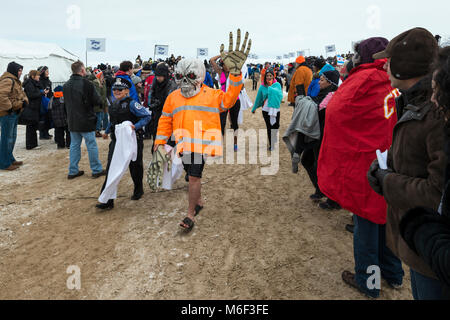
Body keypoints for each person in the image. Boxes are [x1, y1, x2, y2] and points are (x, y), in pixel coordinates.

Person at [318, 37, 405, 298]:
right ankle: (393, 274)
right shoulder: (393, 77)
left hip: (368, 163)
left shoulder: (364, 78)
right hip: (393, 158)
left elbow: (334, 111)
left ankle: (369, 282)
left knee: (366, 223)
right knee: (387, 220)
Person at [367, 28, 445, 300]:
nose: (385, 65)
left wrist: (388, 181)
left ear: (405, 66)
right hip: (417, 241)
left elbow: (438, 193)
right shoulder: (413, 103)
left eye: (390, 59)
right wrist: (385, 164)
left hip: (433, 252)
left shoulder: (437, 112)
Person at [154, 29, 250, 231]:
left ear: (199, 76)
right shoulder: (173, 97)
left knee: (195, 177)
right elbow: (165, 120)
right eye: (181, 77)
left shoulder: (212, 95)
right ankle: (199, 202)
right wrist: (159, 143)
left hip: (202, 145)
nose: (185, 82)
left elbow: (229, 100)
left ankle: (190, 215)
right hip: (183, 144)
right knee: (190, 175)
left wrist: (234, 75)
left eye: (190, 76)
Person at [96, 78, 151, 210]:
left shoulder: (132, 104)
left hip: (132, 140)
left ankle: (138, 189)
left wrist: (135, 126)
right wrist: (107, 131)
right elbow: (113, 121)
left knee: (135, 166)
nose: (116, 91)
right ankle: (107, 199)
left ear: (127, 91)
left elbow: (146, 116)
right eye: (114, 89)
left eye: (120, 89)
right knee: (112, 168)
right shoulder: (113, 104)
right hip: (117, 141)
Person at [63, 60, 106, 180]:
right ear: (82, 70)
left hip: (72, 120)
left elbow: (65, 104)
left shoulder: (66, 85)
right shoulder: (87, 84)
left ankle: (73, 171)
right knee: (91, 145)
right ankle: (96, 169)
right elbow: (97, 100)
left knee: (74, 145)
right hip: (86, 119)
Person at [210, 54, 241, 151]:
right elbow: (211, 60)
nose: (227, 66)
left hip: (235, 101)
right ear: (222, 65)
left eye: (229, 64)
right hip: (223, 101)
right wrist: (222, 55)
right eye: (225, 64)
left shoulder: (234, 73)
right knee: (221, 123)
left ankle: (235, 144)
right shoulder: (220, 73)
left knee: (234, 123)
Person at [0, 62, 28, 170]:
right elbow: (1, 95)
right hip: (7, 114)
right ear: (14, 70)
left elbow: (21, 93)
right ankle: (4, 163)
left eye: (21, 70)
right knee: (6, 138)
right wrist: (9, 108)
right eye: (19, 70)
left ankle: (10, 159)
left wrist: (25, 101)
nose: (21, 72)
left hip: (14, 113)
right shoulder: (8, 80)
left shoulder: (16, 81)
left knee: (12, 138)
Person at [148, 63, 178, 151]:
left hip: (167, 116)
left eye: (160, 76)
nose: (158, 78)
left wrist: (160, 102)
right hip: (156, 115)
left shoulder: (172, 85)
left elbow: (170, 102)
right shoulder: (155, 83)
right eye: (157, 76)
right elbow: (150, 95)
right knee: (156, 137)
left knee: (167, 141)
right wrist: (153, 104)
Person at [251, 69, 283, 151]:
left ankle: (274, 139)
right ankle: (271, 144)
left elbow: (280, 95)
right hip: (265, 110)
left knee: (276, 126)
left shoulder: (277, 85)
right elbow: (259, 98)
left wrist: (270, 87)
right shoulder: (262, 86)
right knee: (269, 127)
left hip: (276, 109)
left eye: (270, 76)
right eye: (267, 76)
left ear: (273, 76)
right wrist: (254, 108)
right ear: (265, 77)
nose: (269, 77)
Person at [22, 70, 48, 150]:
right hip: (31, 108)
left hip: (35, 107)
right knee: (30, 126)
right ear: (33, 76)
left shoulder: (33, 83)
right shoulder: (29, 84)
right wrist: (42, 93)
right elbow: (31, 95)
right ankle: (30, 145)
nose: (39, 77)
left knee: (33, 126)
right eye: (37, 75)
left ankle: (33, 144)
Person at [37, 66, 53, 140]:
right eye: (46, 71)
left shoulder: (48, 80)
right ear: (42, 72)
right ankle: (42, 134)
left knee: (48, 117)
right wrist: (43, 92)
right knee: (43, 118)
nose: (48, 73)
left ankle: (46, 132)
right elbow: (39, 91)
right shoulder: (39, 81)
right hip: (42, 101)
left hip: (48, 100)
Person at [92, 69, 108, 138]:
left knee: (102, 116)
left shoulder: (102, 82)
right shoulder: (95, 83)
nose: (103, 76)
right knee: (99, 117)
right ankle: (96, 131)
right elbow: (98, 94)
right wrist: (101, 102)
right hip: (98, 104)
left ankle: (100, 129)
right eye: (101, 75)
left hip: (103, 102)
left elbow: (104, 93)